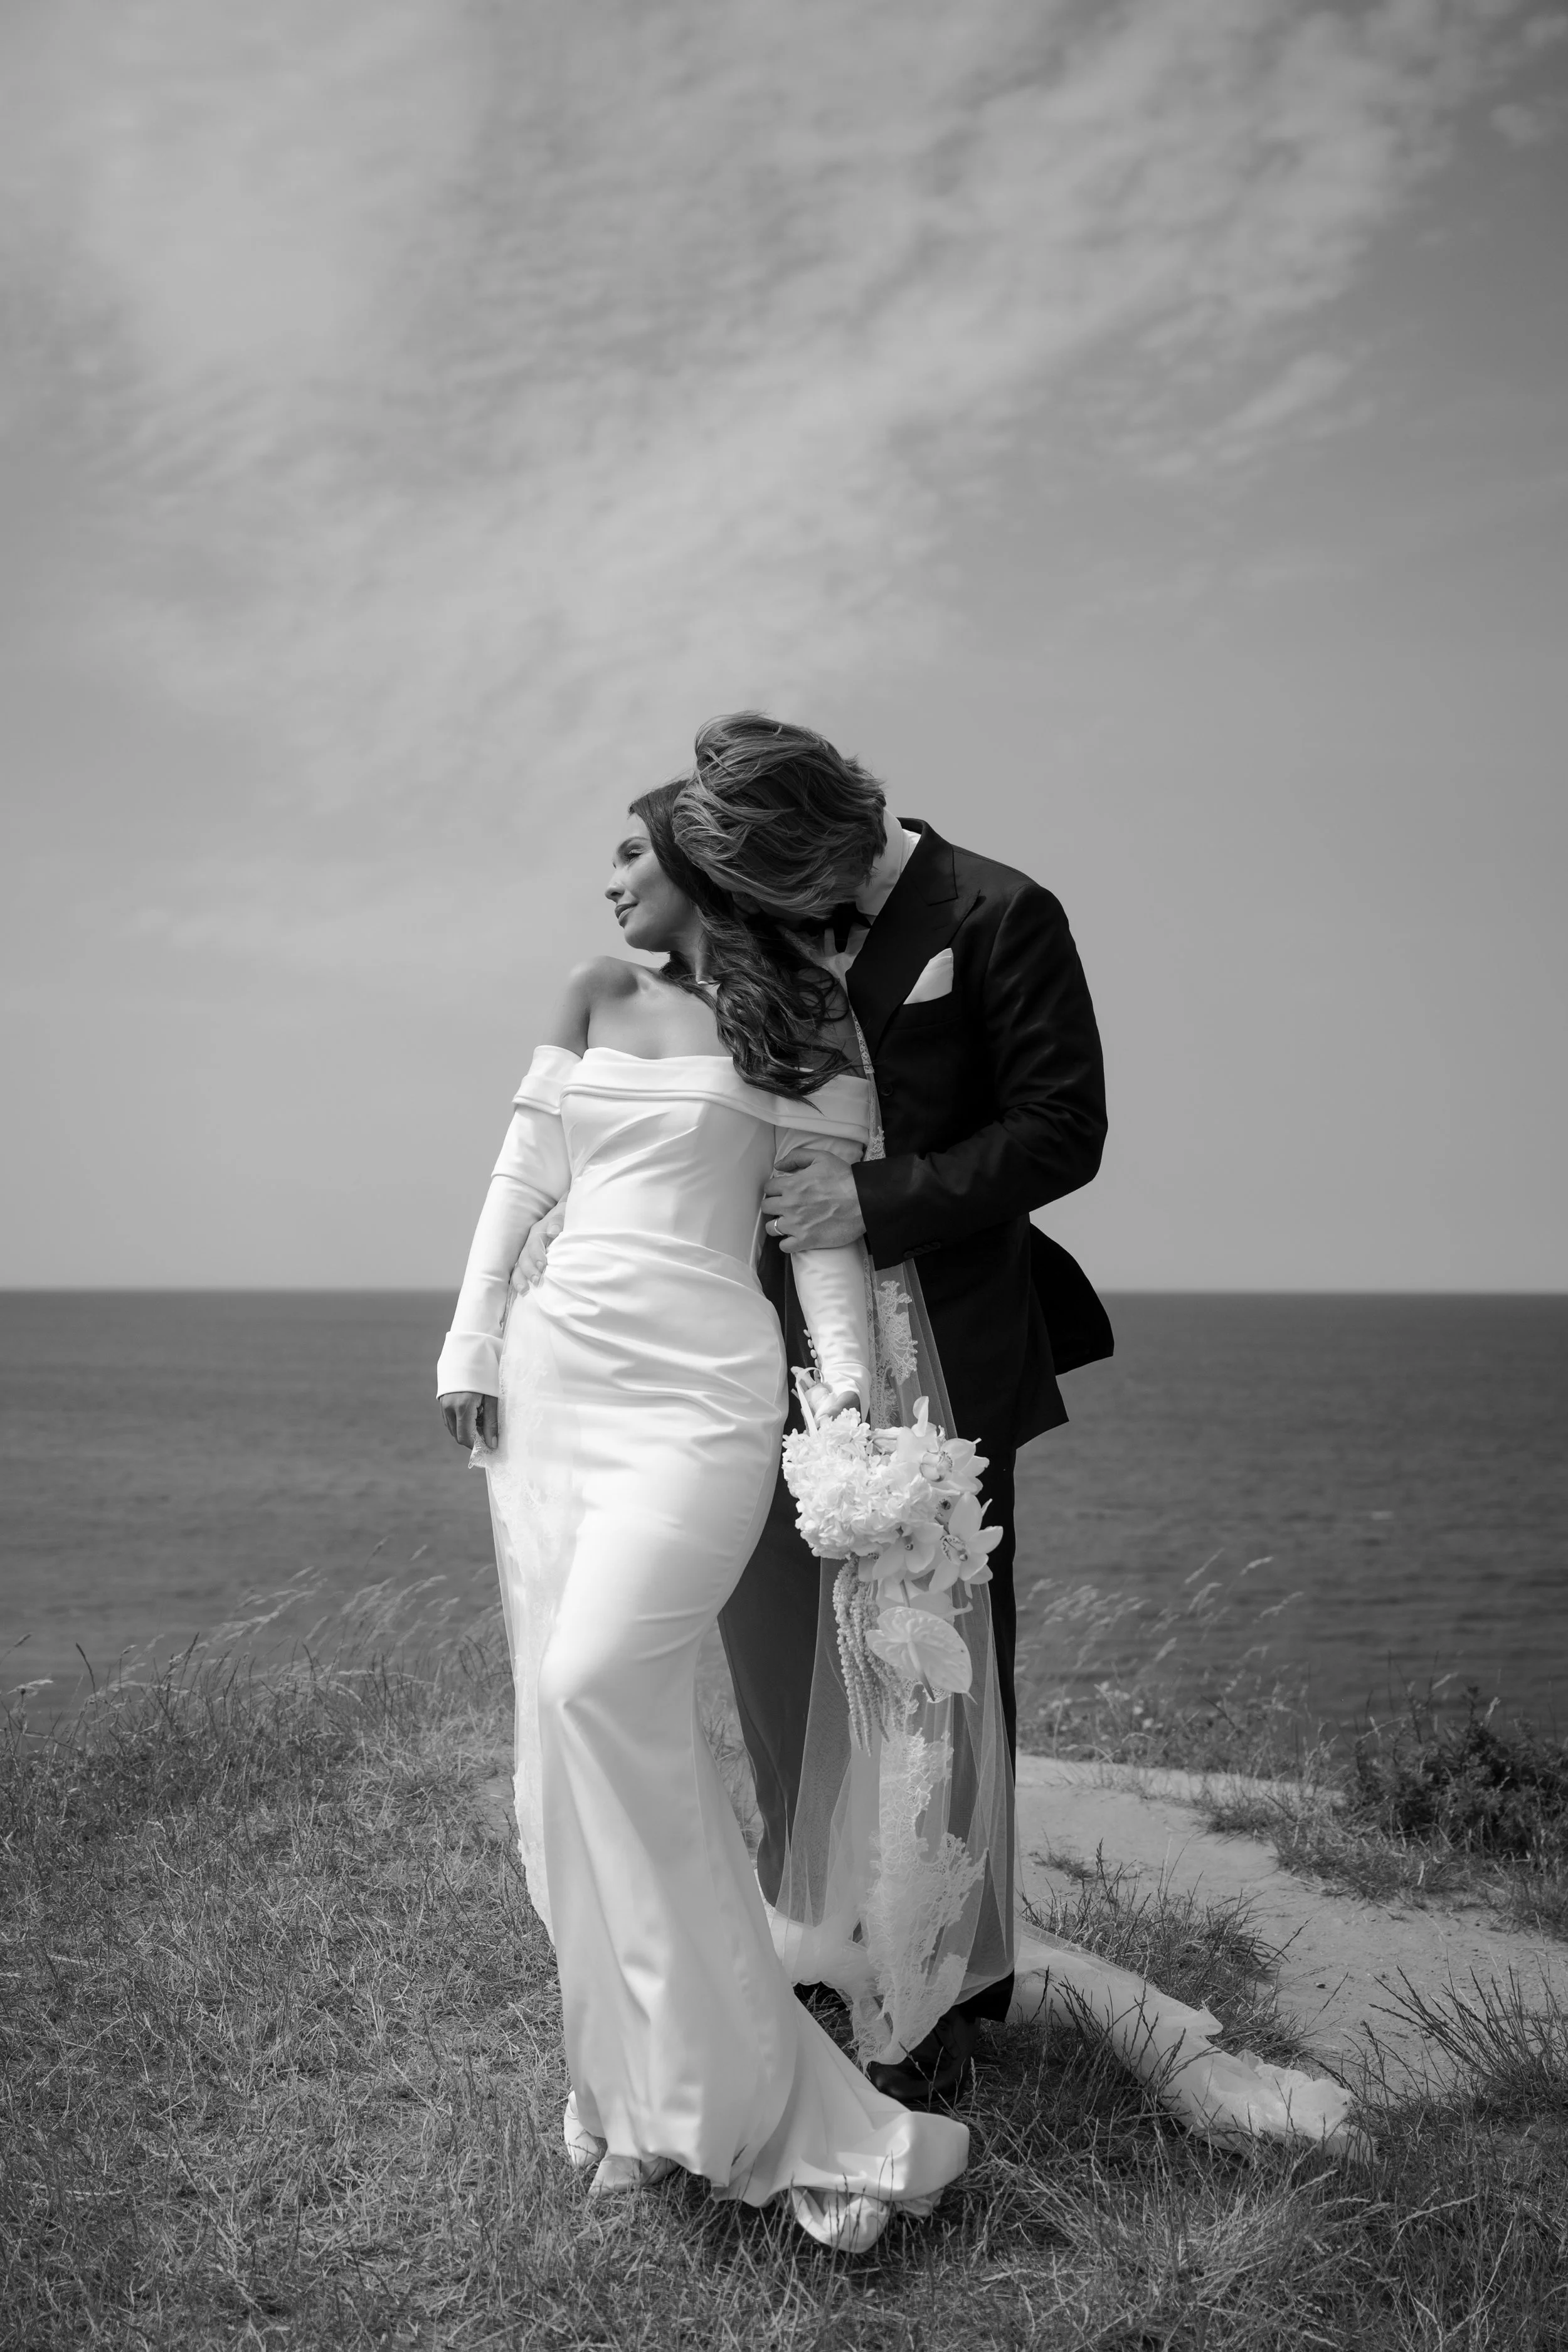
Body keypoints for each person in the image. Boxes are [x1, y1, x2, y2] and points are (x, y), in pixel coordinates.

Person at [435, 785, 968, 2253]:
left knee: (595, 1685)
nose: (605, 879)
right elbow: (521, 1174)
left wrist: (850, 1412)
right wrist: (472, 1340)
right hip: (558, 1385)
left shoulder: (812, 1035)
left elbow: (822, 1249)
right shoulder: (593, 990)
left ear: (702, 868)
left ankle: (744, 2096)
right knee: (579, 1733)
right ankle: (625, 2090)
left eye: (628, 852)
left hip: (702, 1399)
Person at [671, 711, 1113, 2103]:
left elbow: (1061, 1130)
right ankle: (812, 1923)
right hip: (770, 1349)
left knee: (942, 1655)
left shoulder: (999, 910)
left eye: (779, 881)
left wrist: (868, 1204)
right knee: (783, 1642)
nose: (766, 914)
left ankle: (961, 1983)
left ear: (837, 831)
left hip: (950, 1347)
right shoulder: (758, 928)